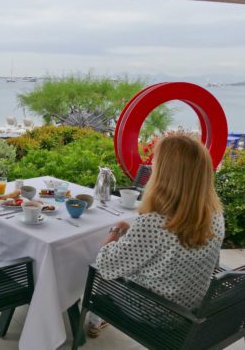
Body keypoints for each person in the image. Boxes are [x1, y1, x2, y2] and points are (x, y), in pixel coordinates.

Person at [88, 134, 225, 337]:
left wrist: (116, 230)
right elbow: (203, 262)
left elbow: (105, 264)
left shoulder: (156, 222)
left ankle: (93, 320)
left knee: (95, 271)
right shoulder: (215, 216)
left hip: (153, 314)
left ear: (166, 173)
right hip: (190, 309)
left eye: (156, 162)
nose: (152, 165)